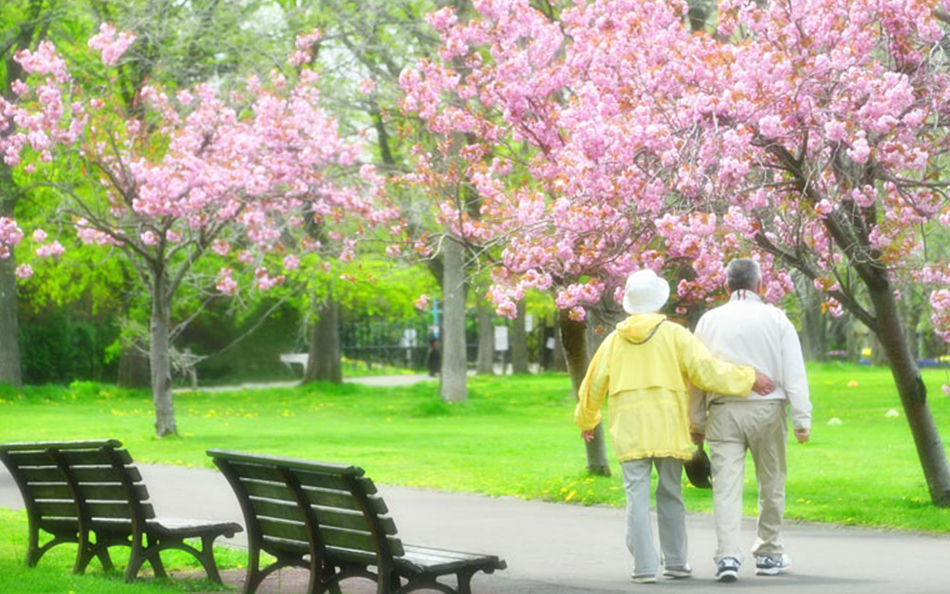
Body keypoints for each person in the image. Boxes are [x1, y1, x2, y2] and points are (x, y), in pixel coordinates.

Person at [575, 269, 774, 584]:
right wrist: (748, 378)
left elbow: (592, 384)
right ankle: (677, 563)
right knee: (670, 492)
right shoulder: (675, 335)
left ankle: (643, 567)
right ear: (658, 302)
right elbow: (707, 371)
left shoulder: (613, 341)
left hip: (629, 428)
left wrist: (587, 419)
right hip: (668, 425)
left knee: (636, 496)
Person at [689, 258, 812, 583]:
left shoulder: (709, 321)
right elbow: (794, 371)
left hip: (723, 410)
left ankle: (728, 556)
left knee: (726, 488)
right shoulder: (776, 318)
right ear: (760, 285)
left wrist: (696, 422)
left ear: (725, 286)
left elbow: (698, 373)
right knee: (771, 483)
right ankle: (769, 552)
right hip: (767, 410)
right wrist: (802, 417)